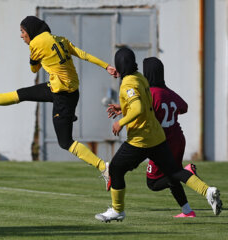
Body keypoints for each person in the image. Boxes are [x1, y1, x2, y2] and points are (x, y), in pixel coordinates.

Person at [0, 16, 118, 189]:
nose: (21, 36)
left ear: (31, 31)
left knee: (66, 143)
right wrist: (106, 66)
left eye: (22, 31)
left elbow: (34, 68)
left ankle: (104, 167)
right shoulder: (60, 39)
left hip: (63, 96)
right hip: (64, 89)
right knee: (21, 94)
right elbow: (82, 54)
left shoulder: (36, 44)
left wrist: (36, 57)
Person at [95, 47, 223, 223]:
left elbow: (138, 108)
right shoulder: (141, 78)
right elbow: (145, 103)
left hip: (141, 139)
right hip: (158, 136)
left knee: (116, 168)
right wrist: (122, 107)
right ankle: (207, 191)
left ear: (119, 65)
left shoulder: (127, 84)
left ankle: (117, 210)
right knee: (175, 172)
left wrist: (120, 122)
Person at [143, 57, 197, 218]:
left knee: (153, 183)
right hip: (178, 140)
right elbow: (184, 107)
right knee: (172, 175)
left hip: (162, 143)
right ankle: (187, 211)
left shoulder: (150, 93)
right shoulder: (168, 92)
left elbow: (139, 110)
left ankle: (186, 172)